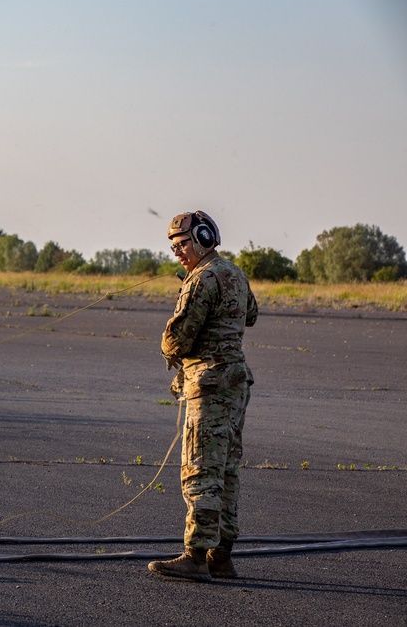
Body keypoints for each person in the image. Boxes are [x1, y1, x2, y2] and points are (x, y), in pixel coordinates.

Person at [148, 211, 258, 582]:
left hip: (208, 385)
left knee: (200, 469)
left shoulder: (203, 279)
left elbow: (177, 338)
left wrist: (169, 348)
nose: (177, 253)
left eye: (181, 245)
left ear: (203, 238)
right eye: (173, 246)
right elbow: (252, 314)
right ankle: (221, 556)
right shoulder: (234, 273)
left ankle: (195, 556)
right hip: (235, 383)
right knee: (226, 470)